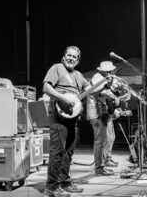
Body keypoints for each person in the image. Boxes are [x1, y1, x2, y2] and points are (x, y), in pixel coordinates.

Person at [42, 46, 91, 197]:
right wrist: (62, 98)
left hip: (72, 116)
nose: (71, 58)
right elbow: (46, 87)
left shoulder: (78, 75)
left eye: (74, 57)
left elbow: (90, 89)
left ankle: (65, 182)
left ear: (77, 61)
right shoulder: (57, 68)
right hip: (59, 113)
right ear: (63, 57)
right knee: (57, 151)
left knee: (69, 151)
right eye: (68, 55)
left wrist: (104, 84)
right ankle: (51, 187)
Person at [86, 61, 125, 175]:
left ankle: (101, 165)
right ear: (103, 70)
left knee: (104, 140)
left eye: (110, 71)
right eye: (108, 71)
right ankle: (99, 168)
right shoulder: (98, 78)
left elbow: (106, 95)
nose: (110, 72)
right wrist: (115, 97)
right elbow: (98, 93)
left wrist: (115, 97)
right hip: (96, 114)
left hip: (101, 113)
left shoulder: (103, 78)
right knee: (100, 141)